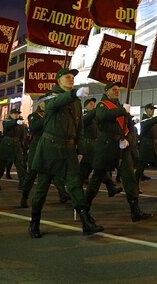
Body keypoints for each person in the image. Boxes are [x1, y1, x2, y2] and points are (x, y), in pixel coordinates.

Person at [28, 68, 102, 238]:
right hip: (50, 148)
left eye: (73, 77)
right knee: (42, 188)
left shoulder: (75, 102)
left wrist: (80, 149)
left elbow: (79, 128)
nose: (71, 79)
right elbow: (53, 104)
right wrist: (73, 94)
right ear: (58, 80)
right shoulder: (50, 96)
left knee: (75, 185)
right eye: (67, 77)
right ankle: (34, 222)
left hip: (68, 149)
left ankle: (86, 222)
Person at [84, 82, 153, 222]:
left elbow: (129, 126)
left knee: (129, 178)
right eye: (113, 89)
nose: (117, 91)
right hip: (106, 146)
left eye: (118, 90)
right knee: (97, 178)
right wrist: (123, 111)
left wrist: (127, 139)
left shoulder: (120, 107)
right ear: (107, 92)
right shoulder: (102, 105)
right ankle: (84, 209)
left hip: (121, 147)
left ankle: (135, 211)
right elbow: (103, 116)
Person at [0, 108, 27, 191]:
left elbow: (22, 135)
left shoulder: (20, 123)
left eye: (17, 113)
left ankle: (22, 183)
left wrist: (23, 145)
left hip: (16, 145)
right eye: (14, 113)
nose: (16, 115)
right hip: (7, 144)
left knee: (20, 165)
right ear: (11, 114)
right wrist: (16, 122)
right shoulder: (7, 121)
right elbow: (7, 126)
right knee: (2, 165)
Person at [136, 103, 157, 185]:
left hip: (153, 146)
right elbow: (148, 123)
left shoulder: (150, 119)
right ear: (146, 109)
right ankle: (133, 186)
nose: (152, 111)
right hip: (146, 146)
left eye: (153, 109)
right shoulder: (145, 120)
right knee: (140, 167)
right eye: (151, 109)